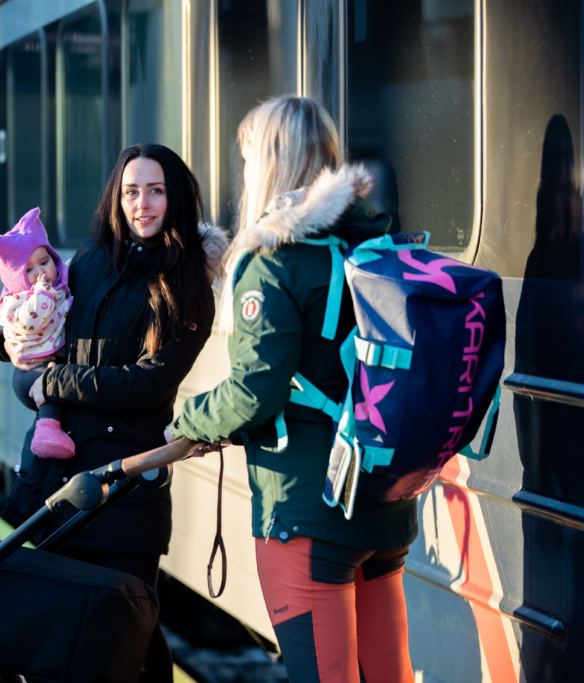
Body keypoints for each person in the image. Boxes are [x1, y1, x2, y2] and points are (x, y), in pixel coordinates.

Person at [165, 96, 418, 683]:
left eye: (252, 155)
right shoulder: (371, 244)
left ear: (272, 163)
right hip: (381, 503)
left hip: (305, 508)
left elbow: (254, 392)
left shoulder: (272, 261)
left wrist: (189, 419)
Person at [0, 143, 228, 682]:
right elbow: (46, 340)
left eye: (155, 190)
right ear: (115, 198)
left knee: (129, 642)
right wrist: (13, 347)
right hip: (57, 484)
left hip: (125, 492)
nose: (141, 204)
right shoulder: (90, 261)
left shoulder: (190, 286)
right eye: (130, 191)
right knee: (64, 646)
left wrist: (48, 380)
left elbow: (148, 385)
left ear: (175, 197)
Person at [0, 207, 75, 458]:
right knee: (51, 385)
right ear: (16, 278)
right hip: (28, 372)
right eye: (28, 270)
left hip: (48, 362)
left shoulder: (61, 283)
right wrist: (41, 294)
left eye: (44, 262)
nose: (40, 272)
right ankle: (46, 433)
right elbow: (32, 322)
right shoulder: (20, 300)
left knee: (56, 379)